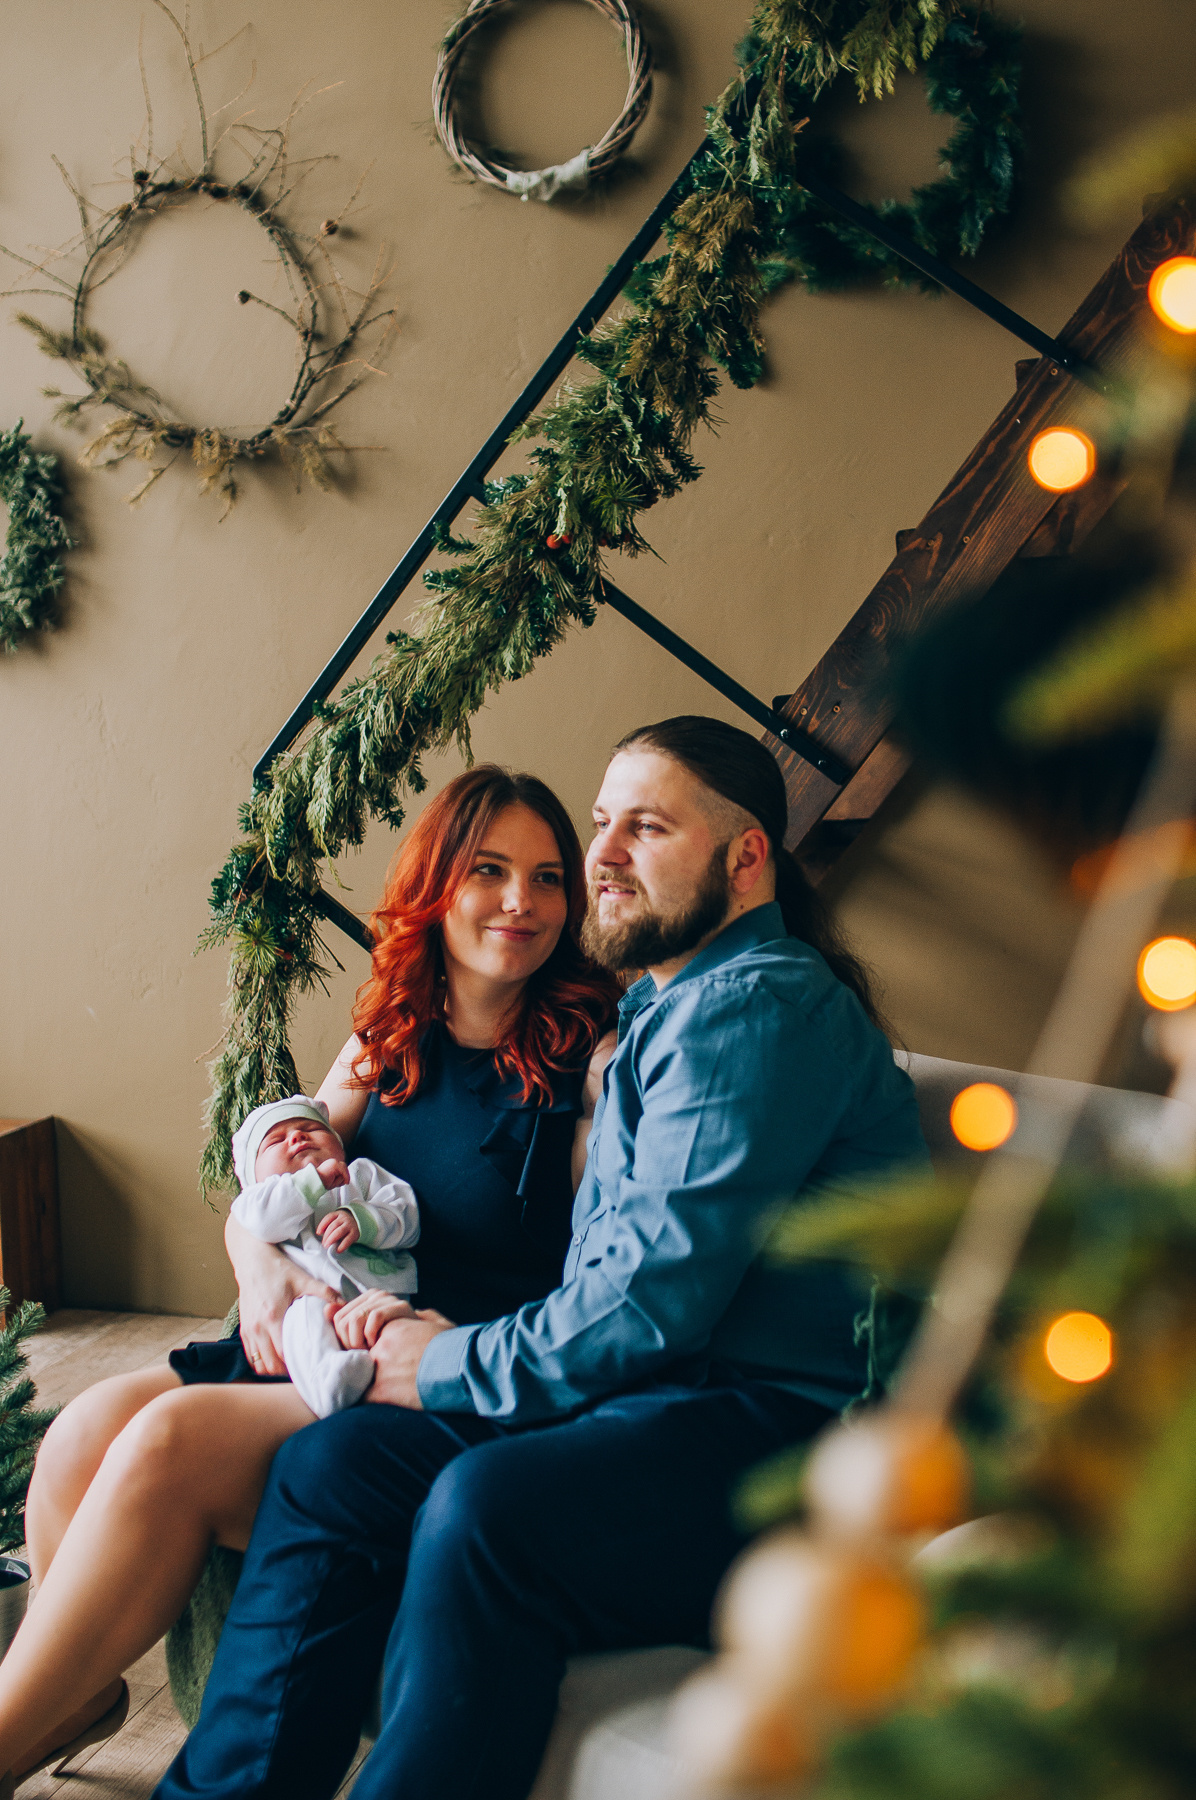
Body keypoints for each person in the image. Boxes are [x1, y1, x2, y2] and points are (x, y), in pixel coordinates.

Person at [154, 716, 928, 1800]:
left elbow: (649, 1307)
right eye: (601, 824)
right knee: (337, 1465)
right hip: (651, 1406)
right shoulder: (659, 1011)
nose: (601, 855)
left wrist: (447, 1361)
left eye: (644, 828)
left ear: (746, 856)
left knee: (490, 1512)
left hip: (785, 1432)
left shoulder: (761, 1007)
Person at [0, 766, 617, 1794]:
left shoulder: (583, 1061)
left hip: (430, 1374)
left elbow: (597, 1284)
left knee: (162, 1440)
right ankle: (76, 1701)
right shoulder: (389, 1032)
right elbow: (276, 1168)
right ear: (435, 884)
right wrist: (255, 1260)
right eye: (491, 871)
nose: (523, 902)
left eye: (548, 877)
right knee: (75, 1437)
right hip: (315, 1335)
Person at [170, 1094, 422, 1418]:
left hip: (378, 1296)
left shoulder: (363, 1176)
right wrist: (312, 1181)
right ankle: (329, 1381)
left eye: (311, 1129)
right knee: (306, 1323)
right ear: (253, 1175)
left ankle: (385, 1375)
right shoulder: (258, 1200)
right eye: (276, 1140)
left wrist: (365, 1220)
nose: (297, 1137)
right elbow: (264, 1221)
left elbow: (407, 1216)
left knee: (394, 1332)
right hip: (310, 1301)